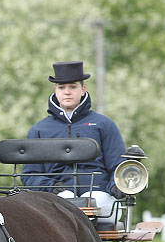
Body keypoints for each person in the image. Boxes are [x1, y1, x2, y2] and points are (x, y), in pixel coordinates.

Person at [22, 61, 126, 227]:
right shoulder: (39, 129)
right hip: (58, 195)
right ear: (55, 90)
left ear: (83, 89)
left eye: (73, 86)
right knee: (65, 202)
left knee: (94, 203)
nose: (67, 92)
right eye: (62, 87)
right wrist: (51, 187)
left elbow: (118, 165)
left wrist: (116, 186)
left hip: (99, 194)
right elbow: (30, 174)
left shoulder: (103, 125)